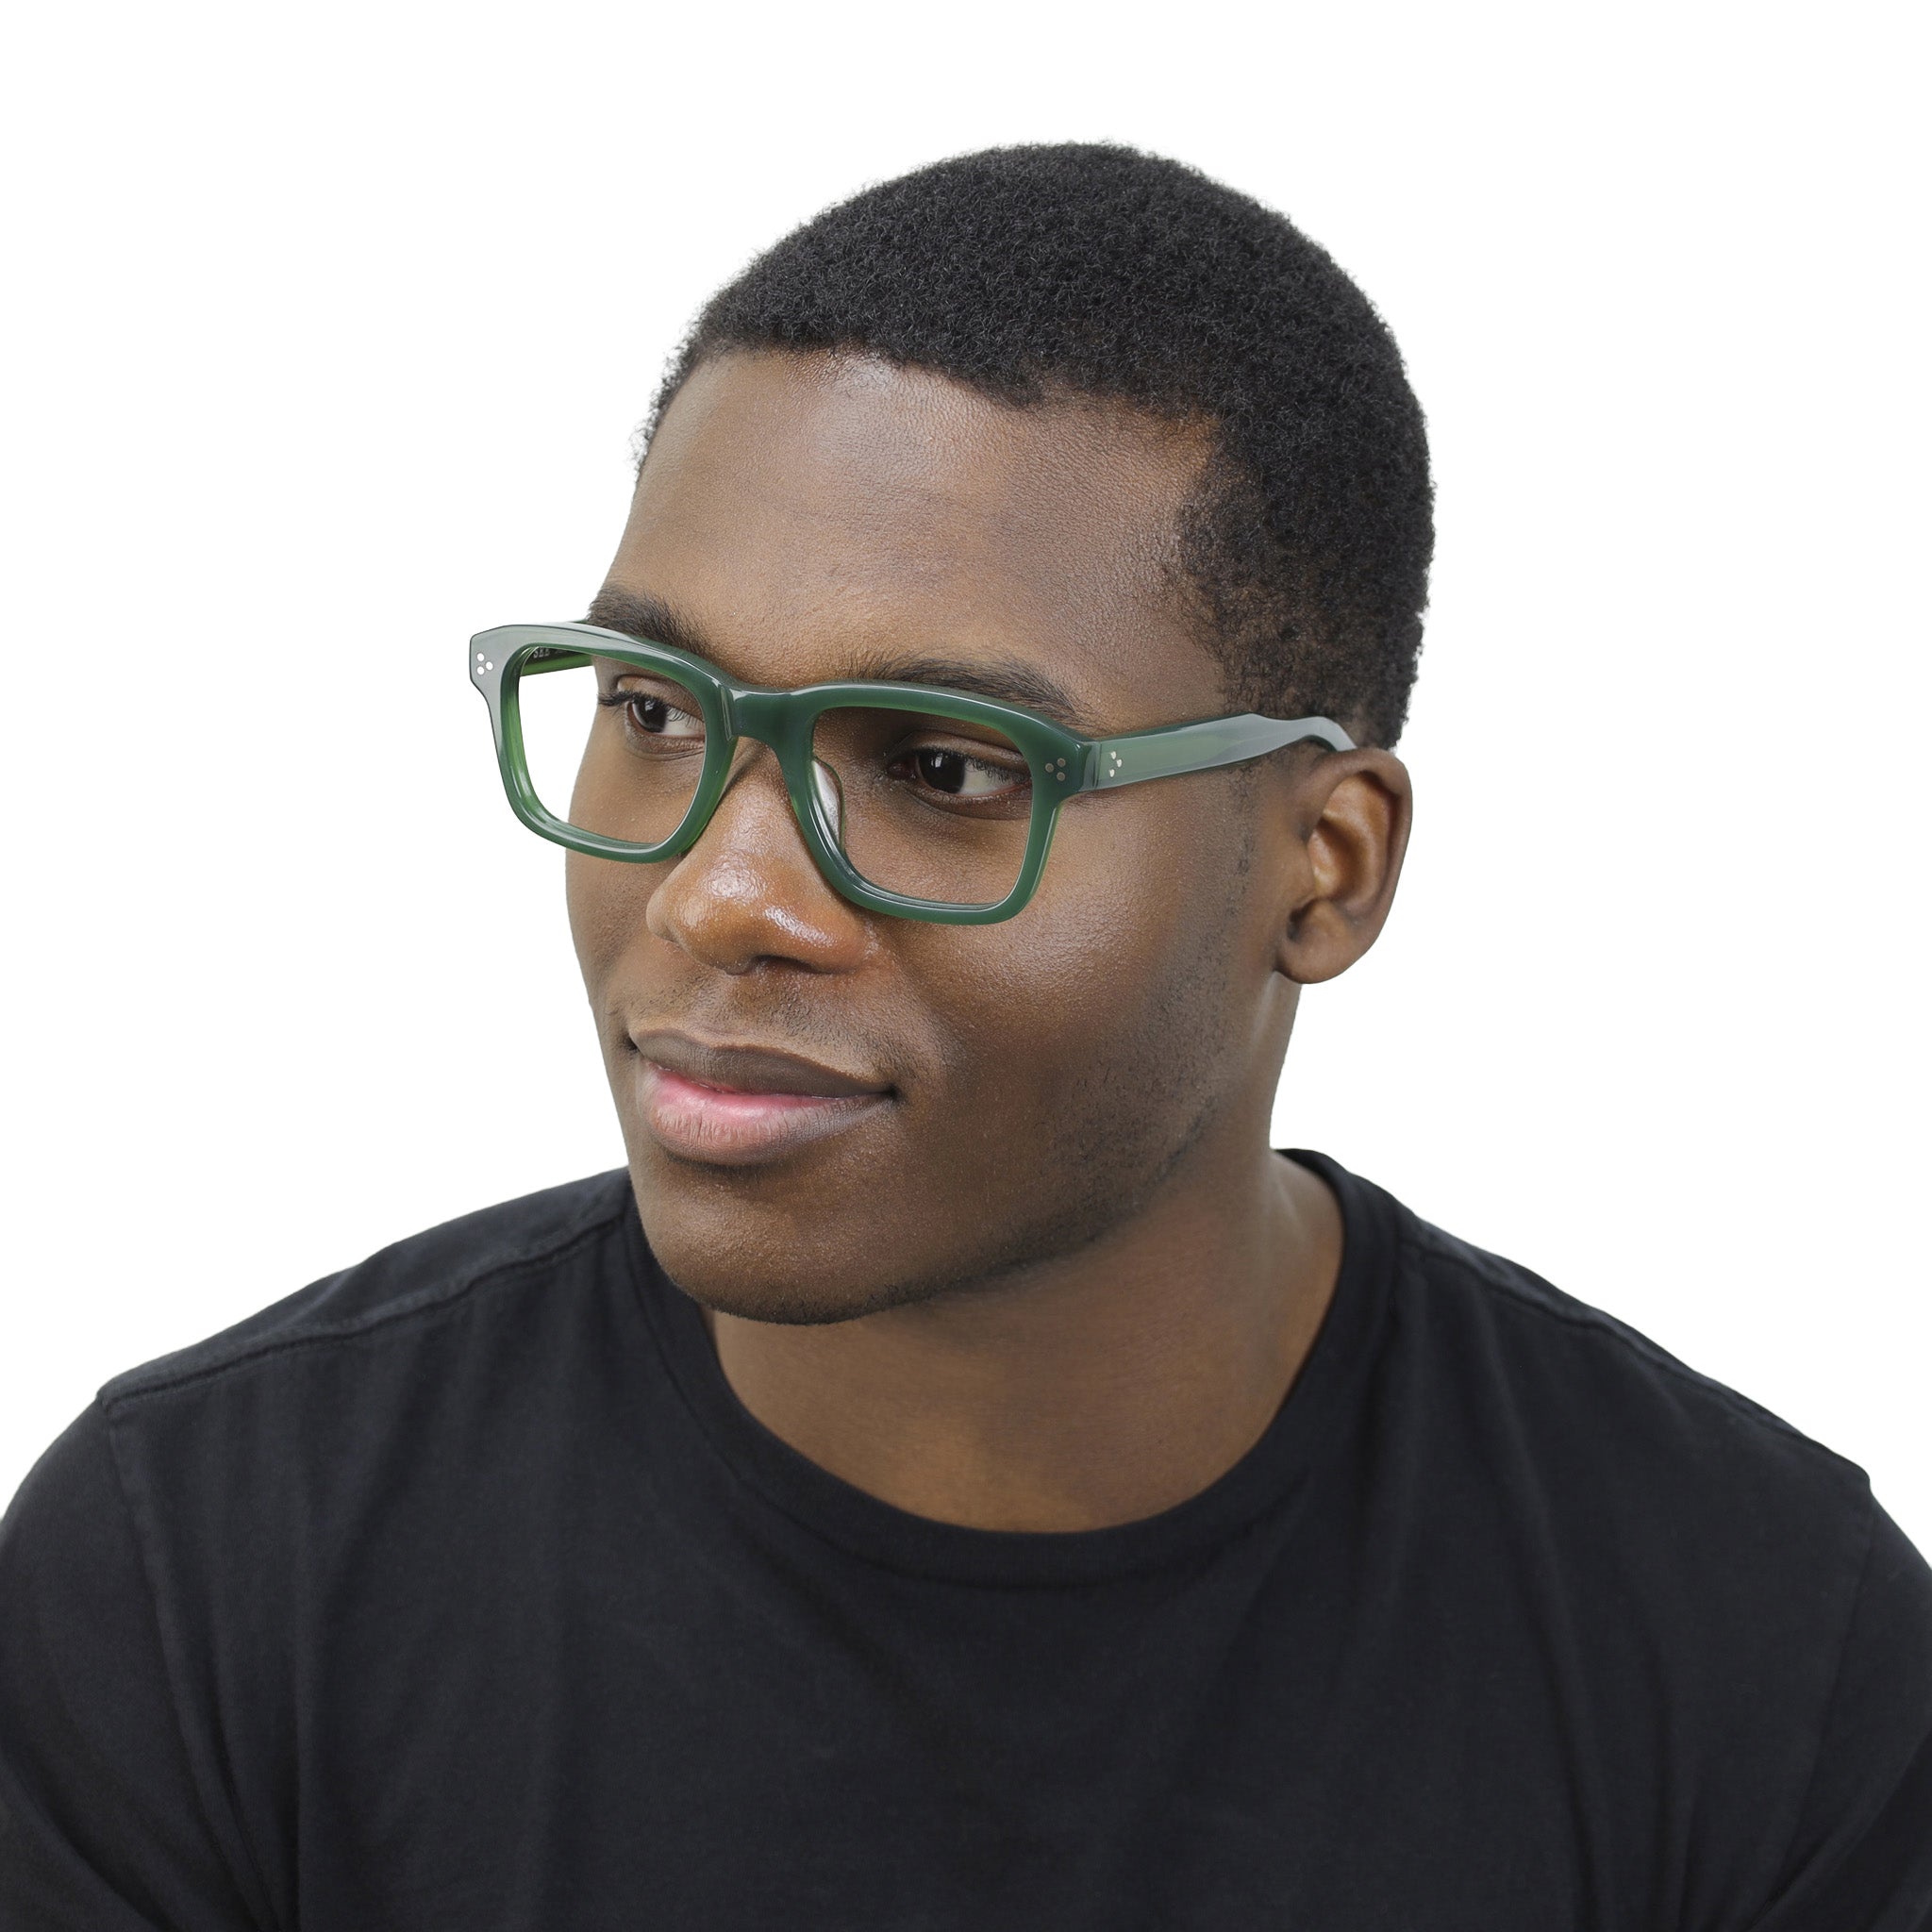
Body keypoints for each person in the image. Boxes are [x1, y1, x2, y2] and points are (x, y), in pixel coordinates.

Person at [1, 142, 1925, 1930]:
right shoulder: (197, 1581)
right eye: (656, 711)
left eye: (942, 765)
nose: (719, 896)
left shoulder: (1768, 1665)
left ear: (1323, 869)